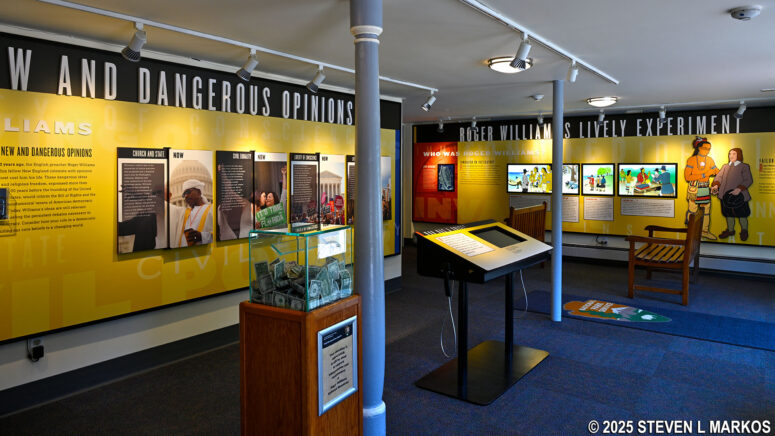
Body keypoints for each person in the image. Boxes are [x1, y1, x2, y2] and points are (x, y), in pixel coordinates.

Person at [711, 148, 753, 241]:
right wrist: (716, 185)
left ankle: (744, 230)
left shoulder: (744, 166)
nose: (731, 156)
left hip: (739, 196)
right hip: (725, 196)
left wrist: (739, 189)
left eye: (734, 154)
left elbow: (748, 180)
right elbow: (719, 177)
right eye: (730, 154)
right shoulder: (725, 166)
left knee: (742, 214)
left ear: (739, 155)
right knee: (728, 213)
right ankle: (730, 230)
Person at [684, 137, 719, 240]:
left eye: (709, 149)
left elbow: (717, 171)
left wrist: (722, 173)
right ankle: (691, 231)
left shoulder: (710, 160)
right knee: (692, 210)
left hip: (705, 187)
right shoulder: (691, 160)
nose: (707, 151)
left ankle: (704, 231)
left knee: (706, 211)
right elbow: (687, 177)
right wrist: (705, 174)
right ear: (699, 148)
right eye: (705, 148)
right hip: (694, 188)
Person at [172, 179, 213, 248]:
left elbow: (222, 235)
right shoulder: (184, 214)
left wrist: (202, 236)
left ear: (199, 192)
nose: (186, 196)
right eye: (184, 195)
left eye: (188, 192)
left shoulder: (212, 209)